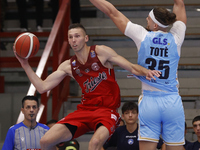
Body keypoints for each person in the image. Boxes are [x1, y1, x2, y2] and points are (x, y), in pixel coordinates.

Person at [14, 23, 160, 150]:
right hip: (84, 111)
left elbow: (132, 67)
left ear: (86, 38)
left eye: (77, 36)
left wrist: (147, 72)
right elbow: (42, 87)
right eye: (70, 37)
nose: (73, 40)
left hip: (106, 111)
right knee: (45, 141)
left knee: (94, 143)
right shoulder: (68, 65)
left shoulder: (101, 52)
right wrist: (24, 64)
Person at [89, 0, 187, 150]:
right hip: (172, 101)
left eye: (148, 18)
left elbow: (112, 12)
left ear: (155, 25)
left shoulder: (142, 36)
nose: (146, 20)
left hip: (150, 102)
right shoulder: (177, 37)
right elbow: (179, 3)